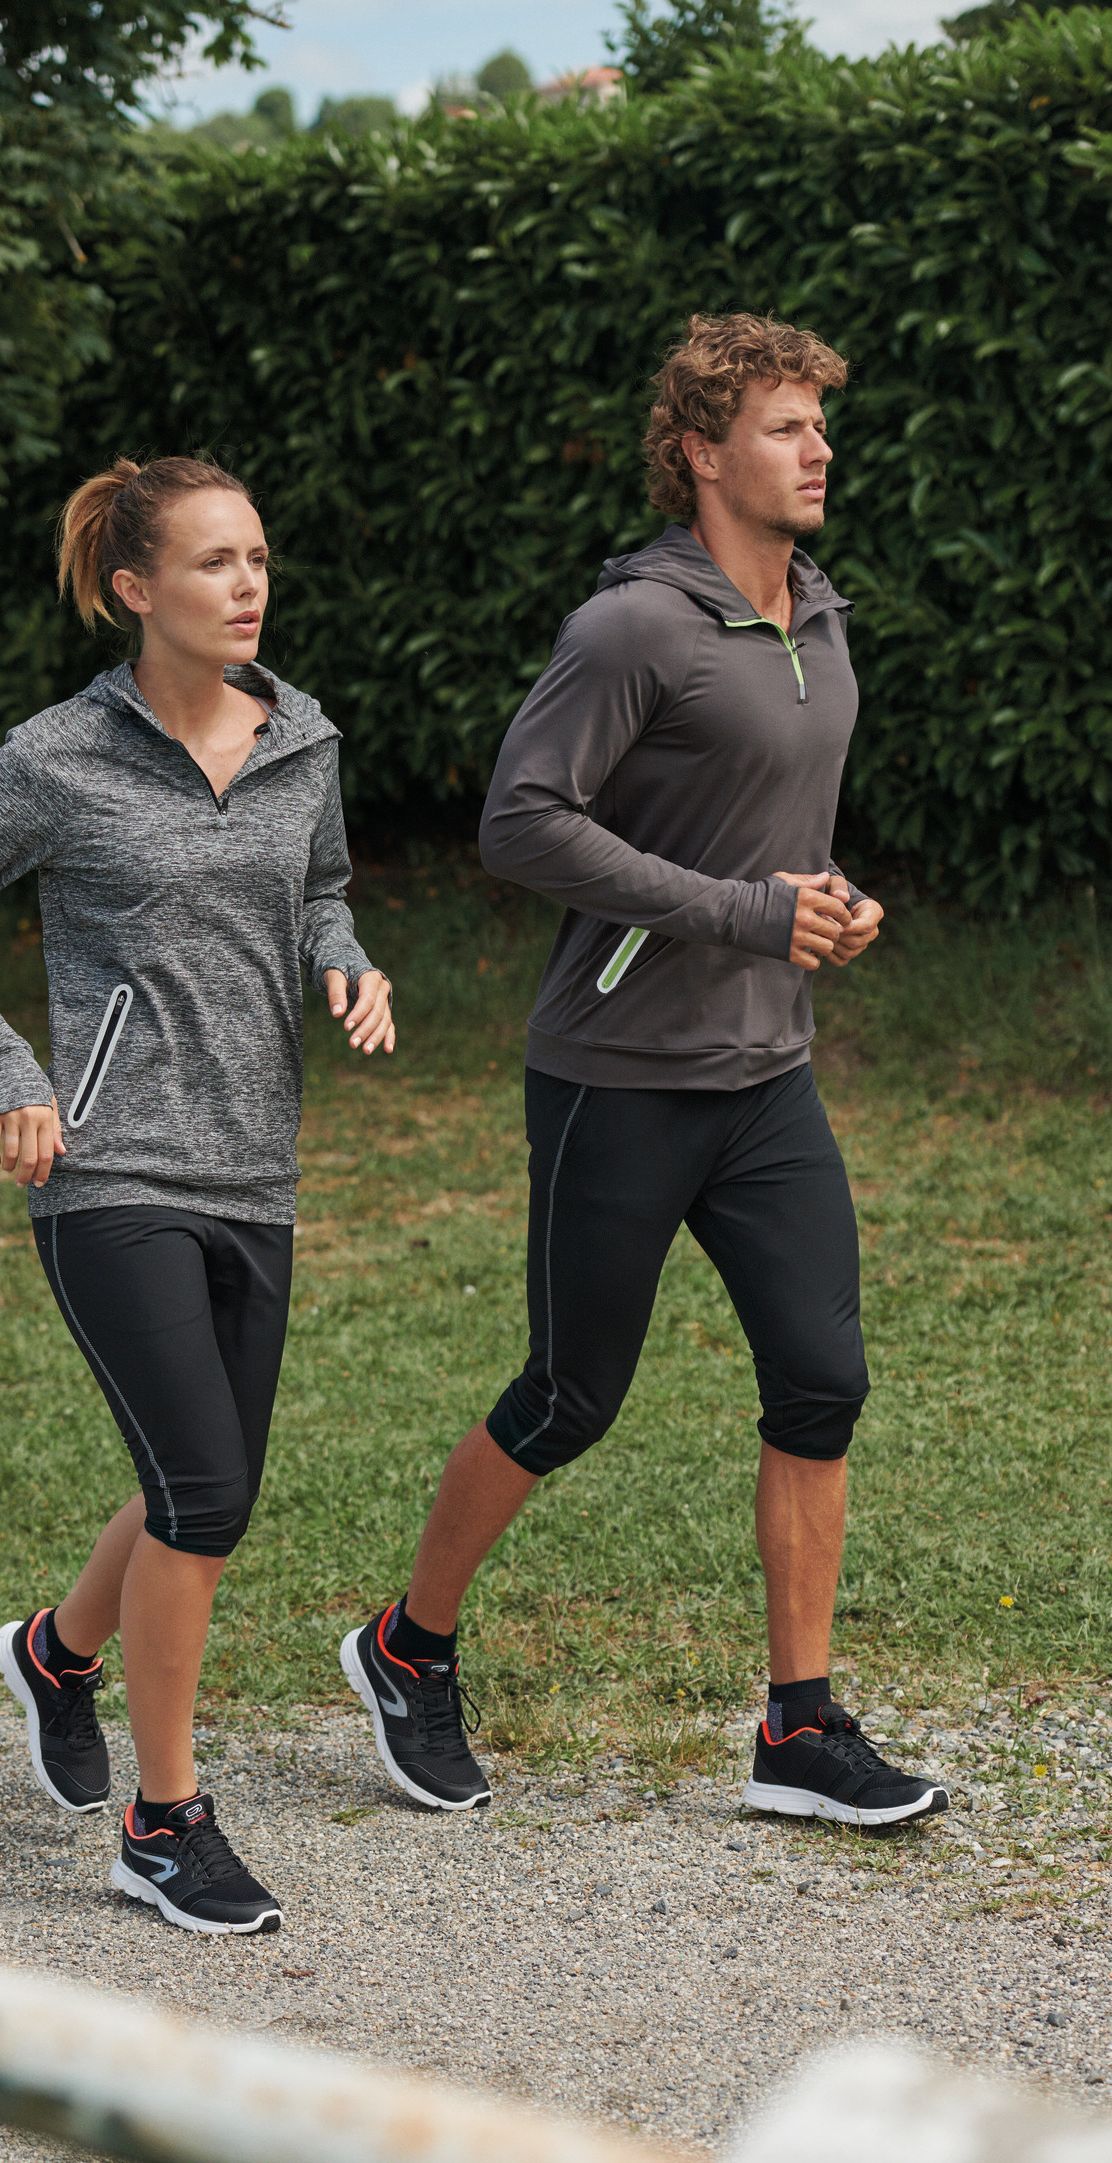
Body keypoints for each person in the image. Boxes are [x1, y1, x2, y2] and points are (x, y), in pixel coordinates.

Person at [341, 314, 949, 1831]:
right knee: (571, 1393)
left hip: (766, 1075)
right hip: (619, 1073)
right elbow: (524, 823)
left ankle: (797, 1729)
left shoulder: (816, 611)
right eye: (787, 426)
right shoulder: (633, 629)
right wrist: (751, 911)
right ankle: (407, 1647)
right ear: (699, 452)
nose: (819, 448)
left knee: (823, 1380)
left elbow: (769, 826)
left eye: (822, 421)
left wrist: (831, 897)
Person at [0, 454, 394, 1935]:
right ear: (134, 588)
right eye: (217, 563)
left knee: (192, 1481)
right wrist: (5, 1065)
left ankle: (54, 1653)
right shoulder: (54, 759)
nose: (250, 586)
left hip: (255, 1168)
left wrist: (343, 956)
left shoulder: (304, 739)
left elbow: (322, 886)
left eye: (260, 558)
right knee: (206, 1495)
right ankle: (165, 1824)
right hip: (108, 1171)